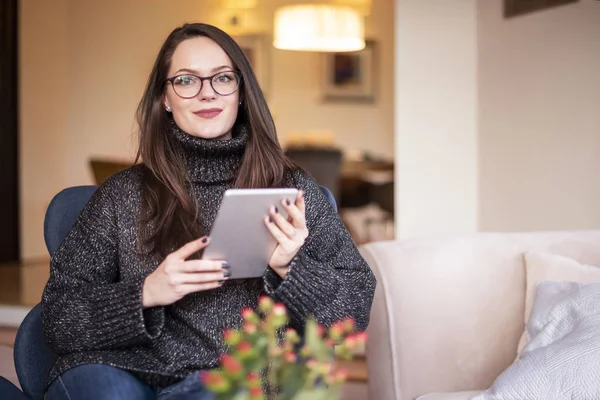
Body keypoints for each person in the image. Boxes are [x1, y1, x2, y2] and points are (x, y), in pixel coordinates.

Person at [41, 22, 376, 400]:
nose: (207, 94)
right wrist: (147, 292)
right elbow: (57, 321)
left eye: (222, 78)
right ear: (164, 97)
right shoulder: (123, 195)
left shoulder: (292, 189)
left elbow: (352, 317)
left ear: (241, 92)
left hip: (239, 384)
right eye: (186, 80)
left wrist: (290, 267)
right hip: (131, 373)